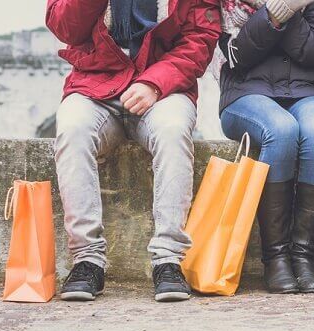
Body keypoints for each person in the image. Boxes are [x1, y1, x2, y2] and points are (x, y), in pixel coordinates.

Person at [47, 0, 221, 302]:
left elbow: (200, 39)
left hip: (164, 88)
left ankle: (168, 259)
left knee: (172, 131)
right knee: (72, 128)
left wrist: (155, 83)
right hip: (96, 84)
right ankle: (87, 260)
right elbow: (66, 28)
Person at [218, 0, 314, 294]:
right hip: (245, 94)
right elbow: (237, 55)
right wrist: (277, 11)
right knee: (280, 130)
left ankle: (304, 256)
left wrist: (284, 10)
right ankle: (276, 258)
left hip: (306, 92)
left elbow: (312, 50)